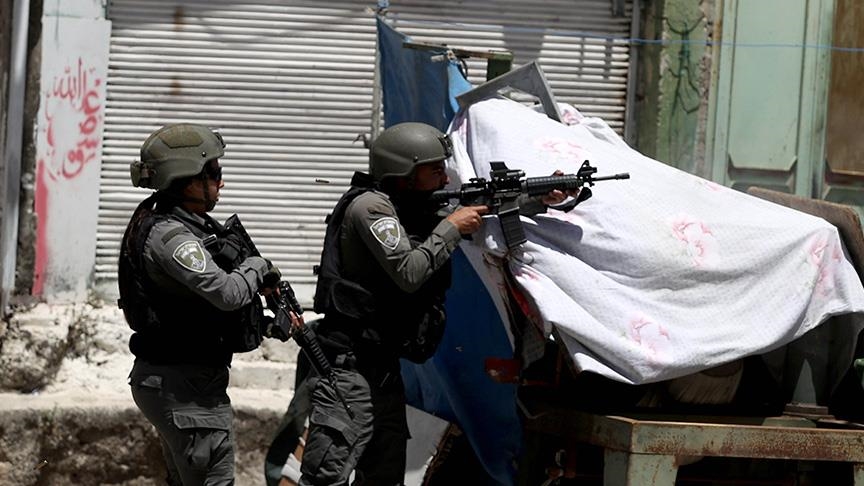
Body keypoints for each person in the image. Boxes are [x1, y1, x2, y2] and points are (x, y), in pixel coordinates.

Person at [299, 121, 577, 486]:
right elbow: (410, 271)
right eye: (435, 170)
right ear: (404, 173)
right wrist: (452, 227)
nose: (445, 179)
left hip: (382, 371)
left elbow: (480, 214)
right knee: (326, 478)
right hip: (349, 373)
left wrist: (539, 197)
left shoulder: (407, 207)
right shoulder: (370, 208)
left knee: (385, 477)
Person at [118, 123, 290, 485]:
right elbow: (226, 294)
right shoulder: (172, 236)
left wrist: (265, 324)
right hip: (185, 390)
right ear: (186, 181)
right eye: (214, 173)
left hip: (182, 383)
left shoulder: (182, 224)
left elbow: (197, 310)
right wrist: (257, 266)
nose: (221, 182)